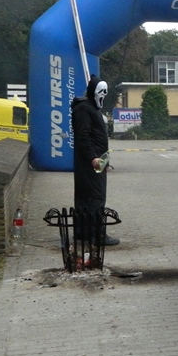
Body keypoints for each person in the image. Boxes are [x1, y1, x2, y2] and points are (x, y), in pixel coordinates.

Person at [71, 75, 119, 245]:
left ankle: (83, 233)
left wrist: (106, 162)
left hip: (98, 160)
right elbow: (83, 136)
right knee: (95, 197)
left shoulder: (91, 109)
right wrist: (93, 158)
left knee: (88, 196)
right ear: (93, 92)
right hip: (91, 163)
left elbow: (99, 138)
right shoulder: (84, 109)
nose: (104, 95)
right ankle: (96, 235)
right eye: (101, 92)